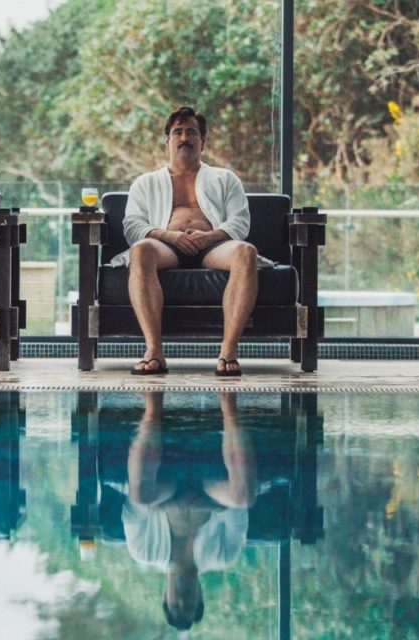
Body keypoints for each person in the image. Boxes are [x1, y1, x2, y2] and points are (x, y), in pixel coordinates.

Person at [113, 106, 259, 376]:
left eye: (191, 132)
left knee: (246, 252)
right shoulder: (145, 183)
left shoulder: (225, 178)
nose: (184, 138)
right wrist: (170, 235)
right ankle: (154, 350)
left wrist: (209, 237)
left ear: (203, 140)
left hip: (214, 246)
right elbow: (133, 226)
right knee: (141, 249)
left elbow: (240, 222)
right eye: (177, 132)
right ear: (167, 140)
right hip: (166, 247)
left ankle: (228, 351)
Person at [122, 391, 258, 630]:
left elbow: (133, 511)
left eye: (176, 605)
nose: (183, 600)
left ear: (165, 597)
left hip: (165, 486)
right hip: (211, 487)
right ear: (200, 597)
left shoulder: (144, 552)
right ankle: (229, 406)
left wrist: (173, 502)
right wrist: (202, 502)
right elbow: (237, 515)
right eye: (190, 605)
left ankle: (152, 406)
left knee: (140, 495)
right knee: (244, 497)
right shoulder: (223, 556)